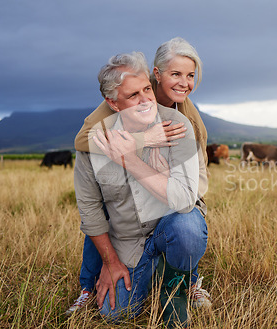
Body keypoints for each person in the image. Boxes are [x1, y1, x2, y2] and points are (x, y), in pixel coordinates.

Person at [68, 37, 211, 315]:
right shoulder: (121, 94)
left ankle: (186, 282)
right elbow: (83, 140)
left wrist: (191, 198)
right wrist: (142, 139)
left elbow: (200, 163)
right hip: (127, 217)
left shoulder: (187, 117)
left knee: (186, 224)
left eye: (190, 75)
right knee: (104, 208)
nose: (184, 83)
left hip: (173, 200)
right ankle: (90, 284)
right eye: (175, 74)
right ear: (156, 74)